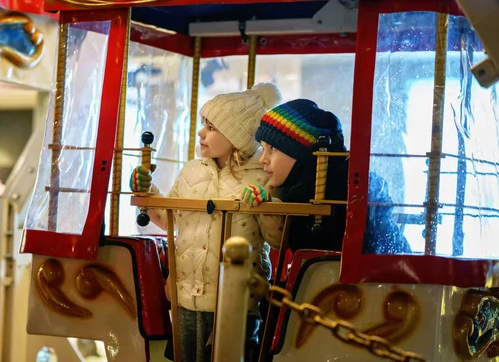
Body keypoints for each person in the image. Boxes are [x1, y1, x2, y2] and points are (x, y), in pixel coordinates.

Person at [130, 83, 283, 362]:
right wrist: (147, 194)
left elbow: (276, 238)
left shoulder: (260, 178)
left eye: (211, 127)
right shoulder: (191, 171)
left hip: (236, 298)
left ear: (237, 136)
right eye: (204, 124)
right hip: (186, 294)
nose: (201, 132)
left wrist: (268, 206)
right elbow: (169, 220)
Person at [241, 99, 411, 254]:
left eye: (272, 148)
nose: (263, 159)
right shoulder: (293, 190)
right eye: (263, 149)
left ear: (302, 152)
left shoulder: (350, 189)